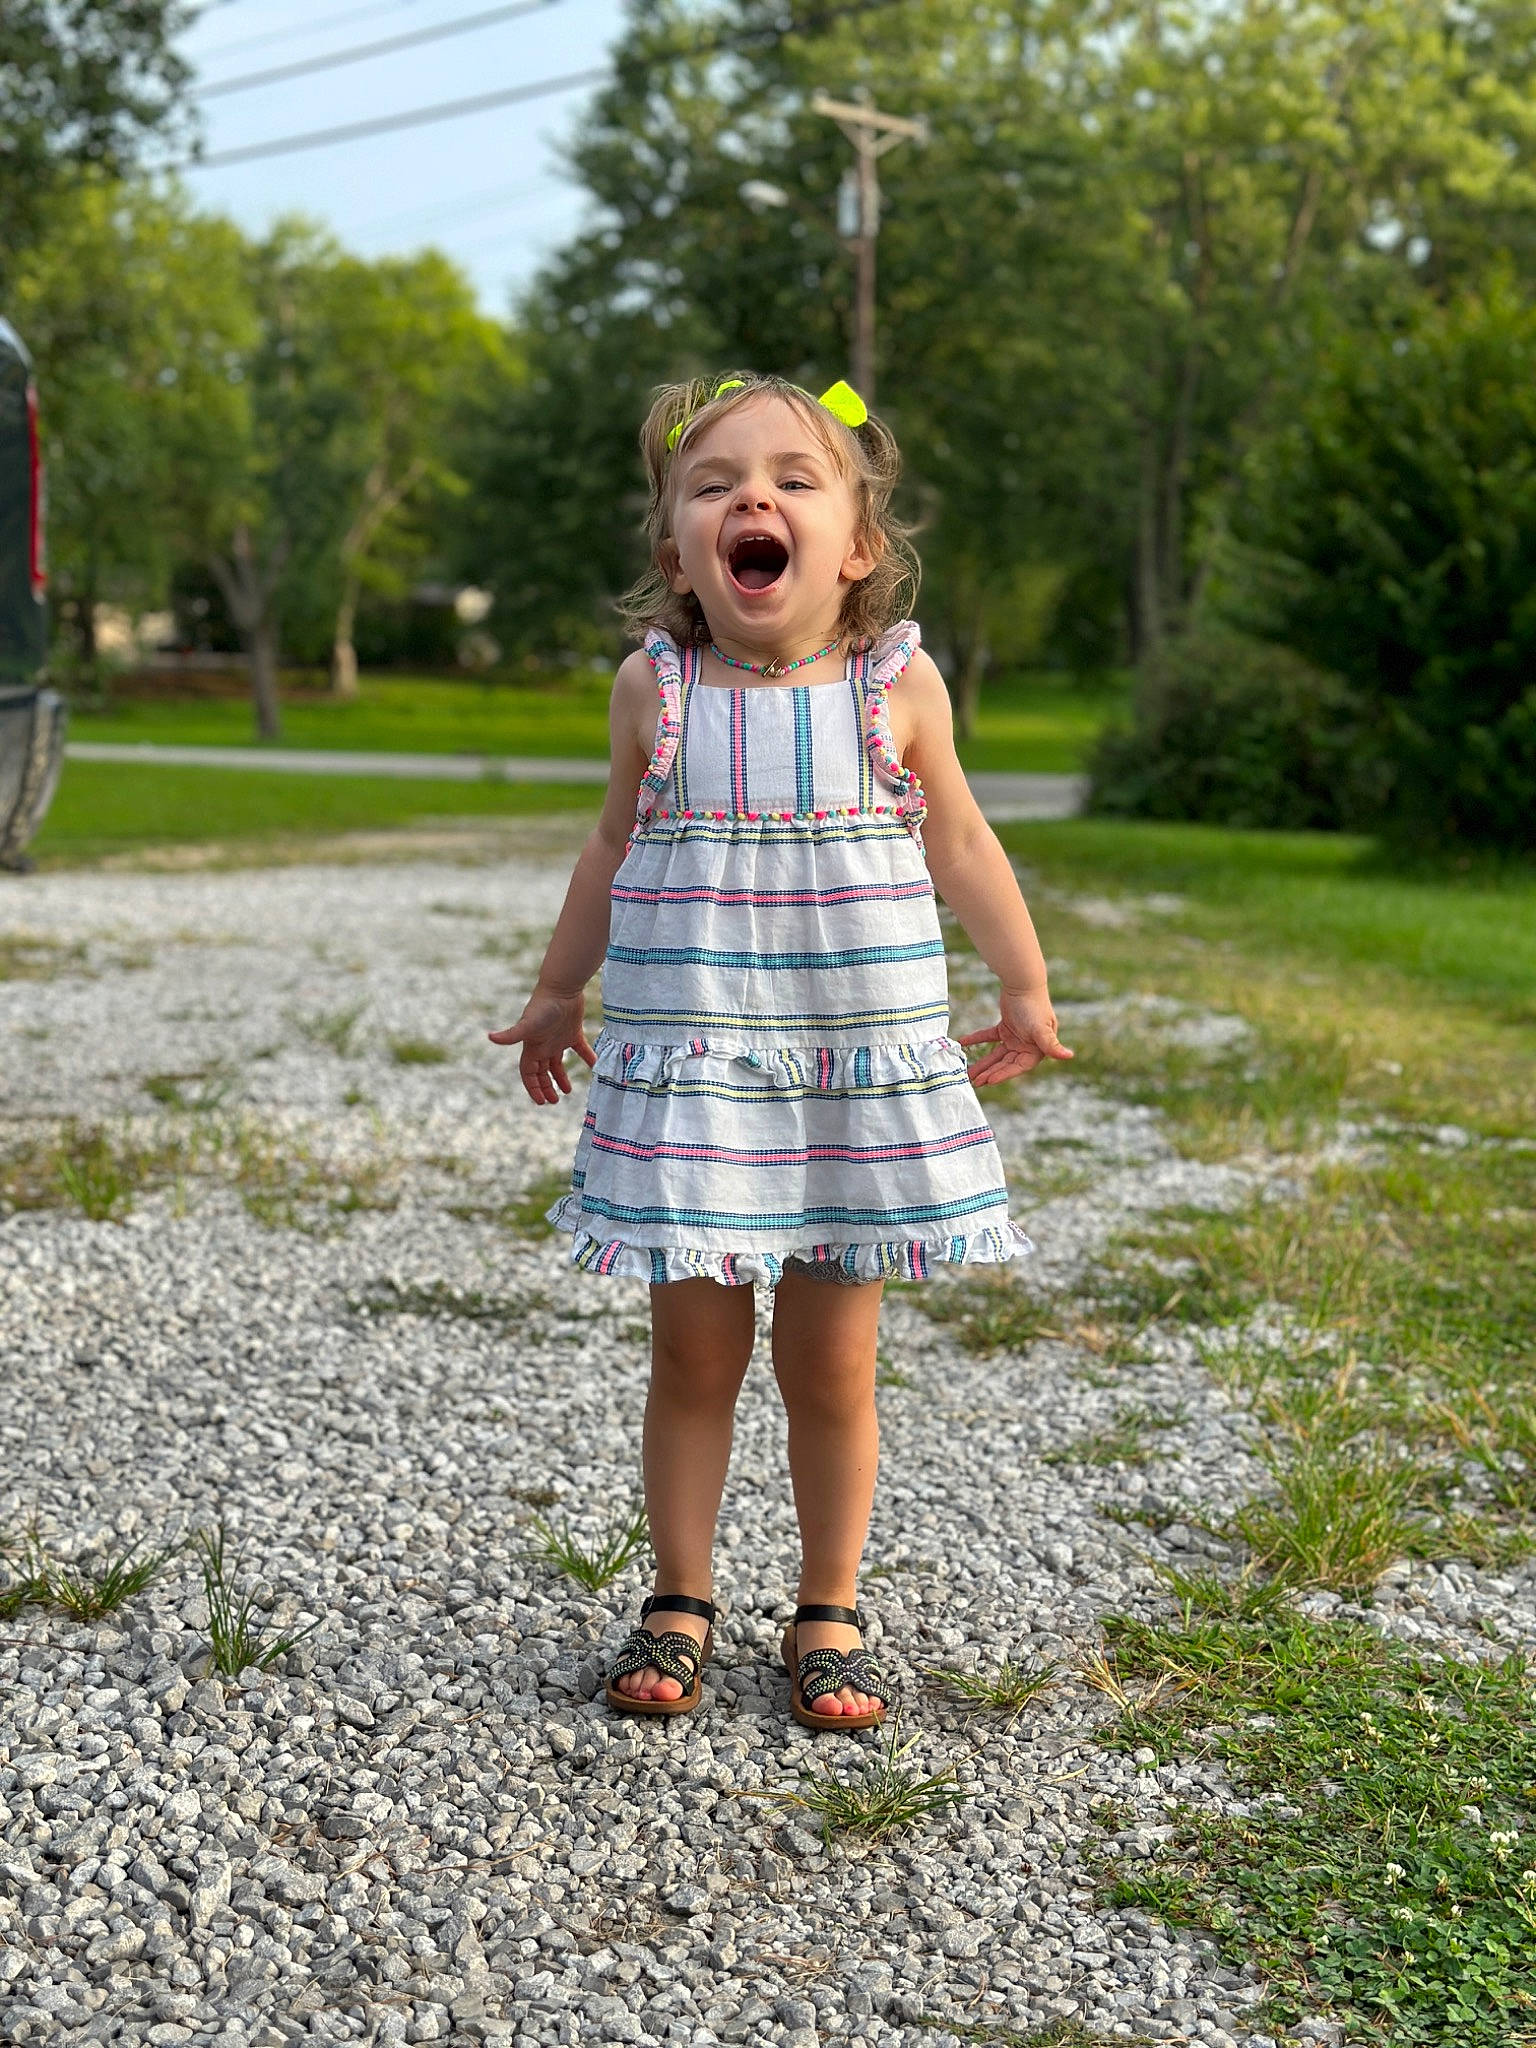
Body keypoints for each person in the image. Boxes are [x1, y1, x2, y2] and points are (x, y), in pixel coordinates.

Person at [489, 370, 1071, 1732]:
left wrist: (1026, 985)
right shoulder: (659, 687)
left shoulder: (895, 683)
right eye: (715, 484)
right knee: (693, 1357)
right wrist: (561, 992)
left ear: (856, 544)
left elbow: (964, 844)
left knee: (832, 1366)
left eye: (794, 481)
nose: (754, 497)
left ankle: (829, 1605)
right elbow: (609, 847)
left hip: (846, 1094)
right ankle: (681, 1596)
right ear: (676, 548)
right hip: (702, 1090)